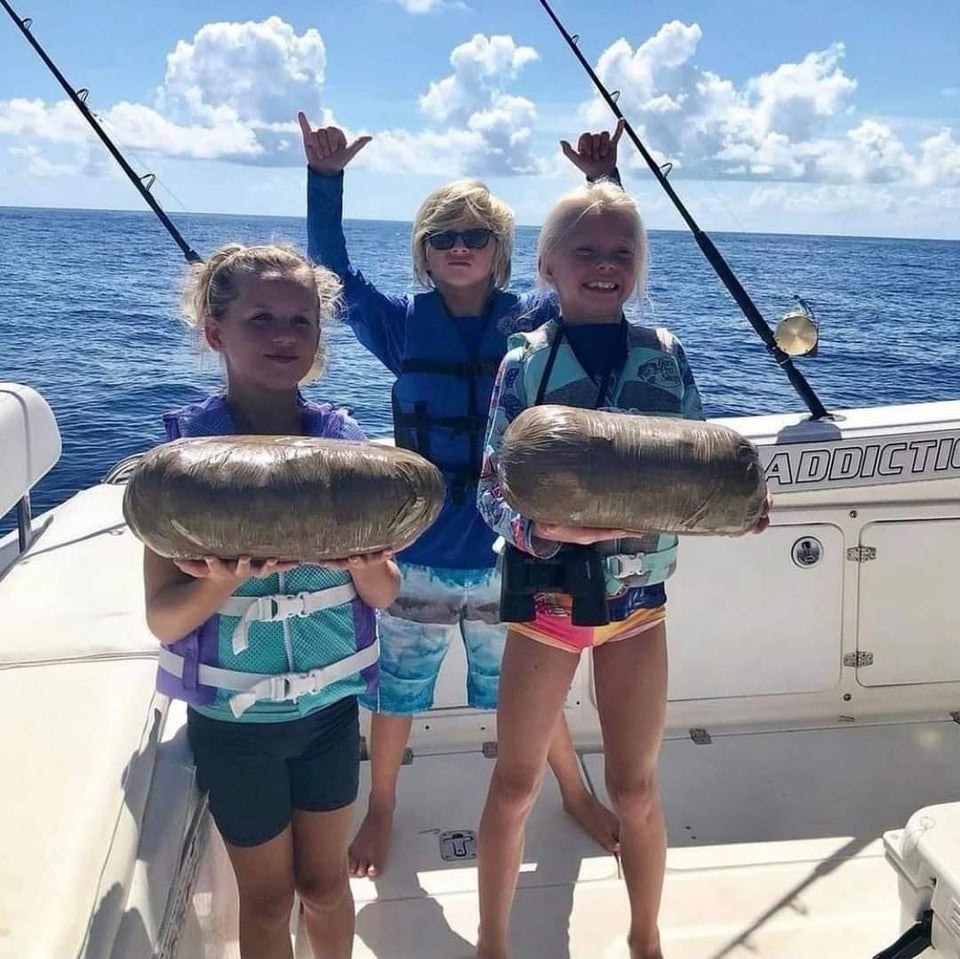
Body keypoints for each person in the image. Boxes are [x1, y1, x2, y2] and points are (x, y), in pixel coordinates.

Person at [298, 112, 626, 880]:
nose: (458, 246)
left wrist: (602, 183)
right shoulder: (400, 326)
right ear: (423, 250)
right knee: (397, 693)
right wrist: (325, 179)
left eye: (475, 235)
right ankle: (382, 804)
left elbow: (597, 277)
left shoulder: (533, 321)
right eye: (442, 236)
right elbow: (330, 272)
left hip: (514, 551)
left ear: (501, 250)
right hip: (417, 552)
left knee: (532, 696)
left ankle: (575, 791)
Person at [474, 183, 770, 959]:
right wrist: (538, 529)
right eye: (586, 251)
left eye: (621, 252)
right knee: (515, 786)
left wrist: (736, 507)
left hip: (638, 602)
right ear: (548, 265)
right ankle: (492, 943)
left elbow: (697, 468)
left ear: (638, 265)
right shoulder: (523, 363)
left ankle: (646, 937)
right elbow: (488, 491)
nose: (605, 265)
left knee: (635, 788)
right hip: (547, 599)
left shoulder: (665, 355)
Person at [142, 243, 400, 959]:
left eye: (300, 320)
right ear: (214, 331)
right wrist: (221, 580)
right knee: (266, 900)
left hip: (328, 713)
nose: (284, 335)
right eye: (261, 318)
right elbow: (163, 617)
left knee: (325, 883)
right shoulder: (181, 465)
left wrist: (367, 562)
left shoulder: (347, 449)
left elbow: (385, 592)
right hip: (234, 725)